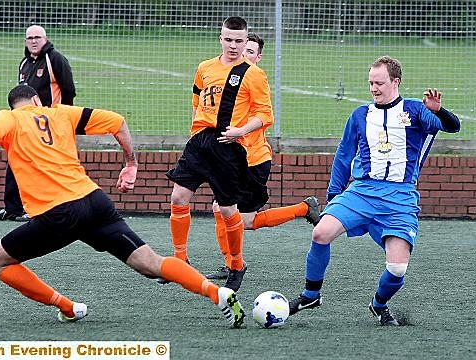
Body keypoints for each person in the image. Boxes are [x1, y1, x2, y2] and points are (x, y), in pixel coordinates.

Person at [0, 84, 246, 328]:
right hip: (95, 202)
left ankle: (66, 307)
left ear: (15, 106)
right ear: (39, 101)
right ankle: (217, 293)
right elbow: (118, 122)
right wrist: (131, 163)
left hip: (59, 214)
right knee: (150, 263)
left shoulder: (9, 118)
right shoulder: (62, 113)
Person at [286, 56, 461, 326]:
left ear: (395, 82)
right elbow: (344, 156)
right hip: (362, 191)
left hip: (400, 197)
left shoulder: (416, 110)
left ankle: (379, 304)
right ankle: (311, 294)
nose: (374, 88)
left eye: (379, 83)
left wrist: (438, 111)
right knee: (321, 233)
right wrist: (334, 195)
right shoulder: (360, 115)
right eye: (370, 83)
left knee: (397, 268)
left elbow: (453, 126)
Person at [161, 17, 274, 292]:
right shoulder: (205, 68)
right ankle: (180, 260)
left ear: (246, 41)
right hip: (200, 142)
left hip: (229, 145)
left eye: (239, 41)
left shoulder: (253, 74)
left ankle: (236, 264)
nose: (234, 46)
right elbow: (197, 102)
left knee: (226, 210)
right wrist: (194, 133)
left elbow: (265, 114)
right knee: (178, 196)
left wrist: (240, 131)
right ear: (220, 39)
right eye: (229, 40)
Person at [206, 33, 320, 281]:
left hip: (253, 160)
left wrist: (239, 132)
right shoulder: (229, 81)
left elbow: (266, 116)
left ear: (258, 57)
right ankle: (231, 264)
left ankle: (303, 208)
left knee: (244, 220)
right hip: (231, 161)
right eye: (241, 49)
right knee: (220, 209)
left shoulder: (256, 81)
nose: (243, 54)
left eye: (250, 51)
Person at [0, 25, 76, 222]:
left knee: (42, 166)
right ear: (25, 41)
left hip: (47, 123)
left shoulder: (55, 59)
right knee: (15, 160)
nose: (34, 41)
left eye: (38, 37)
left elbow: (69, 89)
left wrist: (63, 118)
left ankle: (40, 209)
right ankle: (13, 208)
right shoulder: (24, 63)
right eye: (30, 38)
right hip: (24, 122)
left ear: (45, 39)